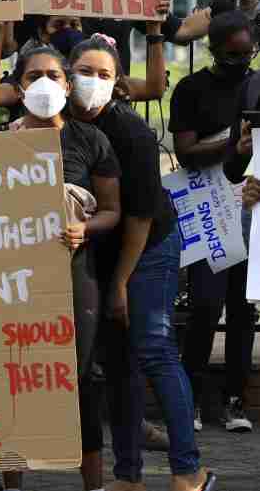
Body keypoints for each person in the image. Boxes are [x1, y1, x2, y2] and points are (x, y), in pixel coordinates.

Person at [67, 36, 215, 491]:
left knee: (153, 349)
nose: (92, 82)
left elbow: (141, 217)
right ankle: (128, 477)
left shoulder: (130, 132)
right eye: (84, 71)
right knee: (118, 364)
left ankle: (187, 471)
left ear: (118, 83)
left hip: (146, 249)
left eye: (104, 74)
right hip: (101, 252)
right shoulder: (59, 123)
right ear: (67, 74)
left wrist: (120, 284)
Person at [3, 46, 121, 491]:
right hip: (12, 280)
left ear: (68, 86)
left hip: (74, 272)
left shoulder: (91, 140)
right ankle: (12, 481)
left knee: (83, 374)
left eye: (53, 75)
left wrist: (84, 229)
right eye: (33, 76)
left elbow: (112, 210)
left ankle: (93, 483)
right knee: (11, 372)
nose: (44, 84)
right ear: (18, 88)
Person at [169, 10, 257, 434]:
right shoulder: (191, 89)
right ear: (214, 50)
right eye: (232, 54)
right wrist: (232, 144)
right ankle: (193, 398)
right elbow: (186, 152)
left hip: (250, 202)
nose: (241, 61)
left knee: (243, 308)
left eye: (248, 53)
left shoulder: (257, 85)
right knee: (205, 304)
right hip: (208, 203)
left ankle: (235, 400)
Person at [0, 14, 168, 126]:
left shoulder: (94, 74)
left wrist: (154, 31)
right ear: (43, 33)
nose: (68, 31)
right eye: (59, 25)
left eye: (74, 25)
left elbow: (154, 89)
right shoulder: (33, 72)